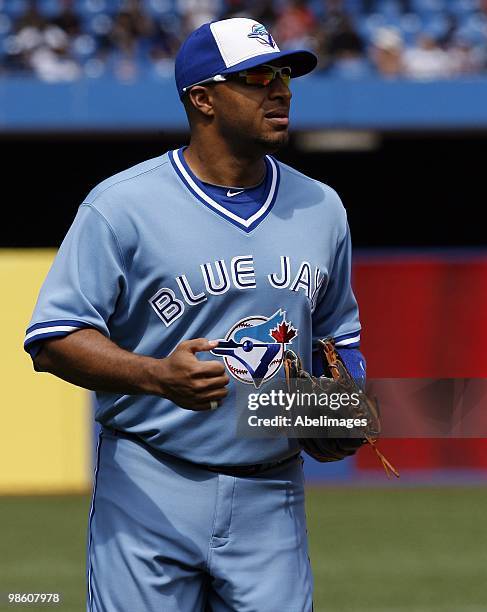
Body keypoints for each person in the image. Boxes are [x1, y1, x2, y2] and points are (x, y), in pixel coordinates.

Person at [24, 17, 363, 612]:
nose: (280, 90)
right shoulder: (121, 206)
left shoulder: (322, 207)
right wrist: (156, 376)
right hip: (150, 482)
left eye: (284, 75)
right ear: (202, 99)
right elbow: (53, 337)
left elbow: (336, 336)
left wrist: (340, 411)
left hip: (271, 491)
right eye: (257, 78)